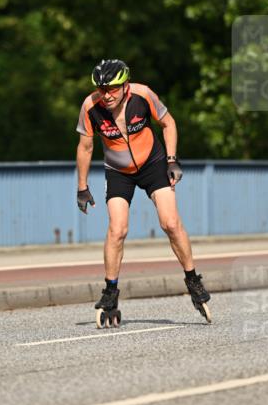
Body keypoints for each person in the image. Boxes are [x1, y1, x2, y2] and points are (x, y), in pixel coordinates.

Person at [75, 58, 212, 326]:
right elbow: (85, 147)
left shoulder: (143, 95)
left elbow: (168, 123)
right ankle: (110, 292)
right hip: (118, 170)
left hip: (152, 163)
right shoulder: (90, 106)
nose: (106, 95)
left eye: (112, 89)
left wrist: (172, 160)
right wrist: (82, 187)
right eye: (102, 89)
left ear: (125, 85)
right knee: (117, 230)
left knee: (170, 223)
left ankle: (193, 280)